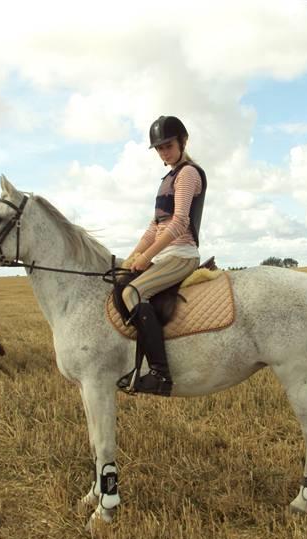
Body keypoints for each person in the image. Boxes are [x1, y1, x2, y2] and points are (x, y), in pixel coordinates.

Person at [121, 115, 207, 395]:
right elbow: (153, 227)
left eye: (168, 146)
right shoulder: (167, 179)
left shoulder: (188, 174)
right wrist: (132, 256)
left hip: (181, 254)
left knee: (133, 293)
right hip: (164, 254)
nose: (164, 152)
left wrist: (147, 258)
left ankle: (160, 373)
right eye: (159, 148)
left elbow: (180, 221)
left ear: (182, 141)